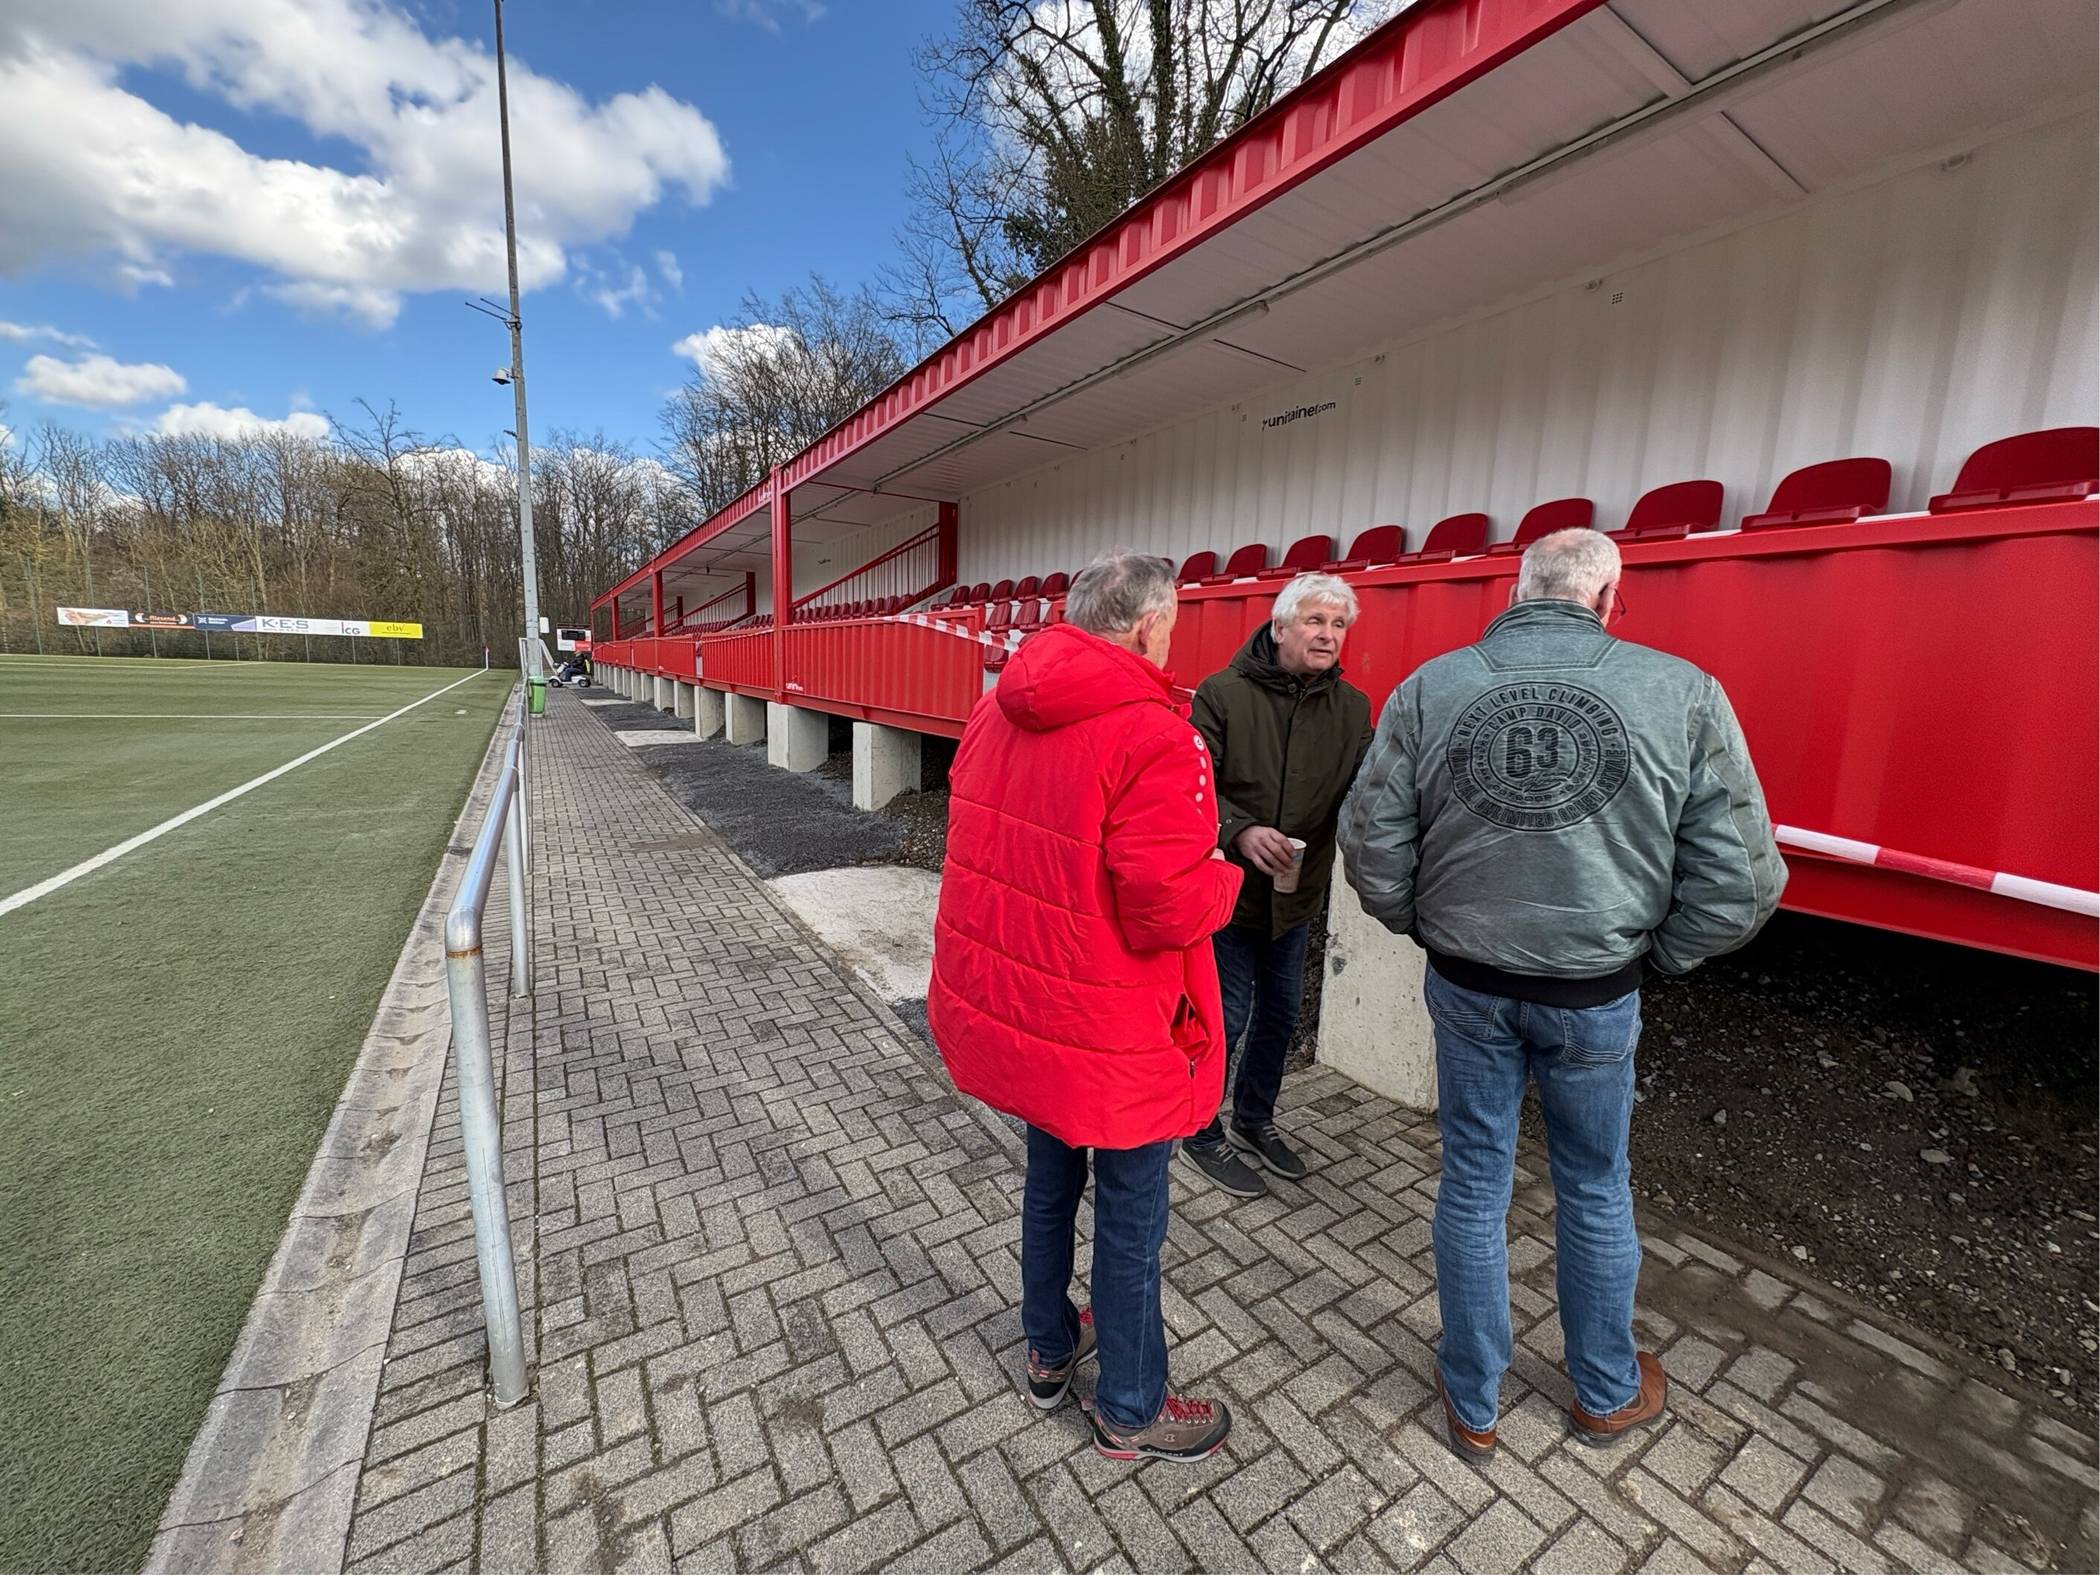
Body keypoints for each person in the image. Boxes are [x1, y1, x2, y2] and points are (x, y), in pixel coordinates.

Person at [1337, 528, 1783, 1458]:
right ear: (1610, 598)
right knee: (1593, 1184)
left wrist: (1428, 927)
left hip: (1468, 985)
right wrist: (1654, 955)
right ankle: (1606, 1390)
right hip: (1595, 993)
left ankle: (1473, 1403)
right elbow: (1742, 878)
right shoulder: (1683, 691)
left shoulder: (1431, 686)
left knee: (1472, 1181)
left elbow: (1371, 842)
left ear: (1514, 589)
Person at [927, 552, 1243, 1462]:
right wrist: (1224, 879)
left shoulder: (995, 707)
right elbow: (1163, 905)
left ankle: (1048, 1349)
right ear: (1147, 626)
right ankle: (1133, 1405)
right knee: (1134, 1210)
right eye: (1173, 622)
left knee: (1050, 1180)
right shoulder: (1156, 733)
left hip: (1031, 1001)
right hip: (1115, 1015)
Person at [1182, 573, 1372, 1197]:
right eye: (1316, 621)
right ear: (1281, 627)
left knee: (1283, 1013)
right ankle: (1200, 1130)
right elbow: (1192, 784)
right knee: (1226, 1015)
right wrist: (1237, 829)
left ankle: (1254, 1121)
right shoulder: (1222, 693)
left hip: (1296, 890)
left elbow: (1363, 792)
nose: (1328, 635)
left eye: (1339, 625)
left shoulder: (1351, 708)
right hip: (1231, 891)